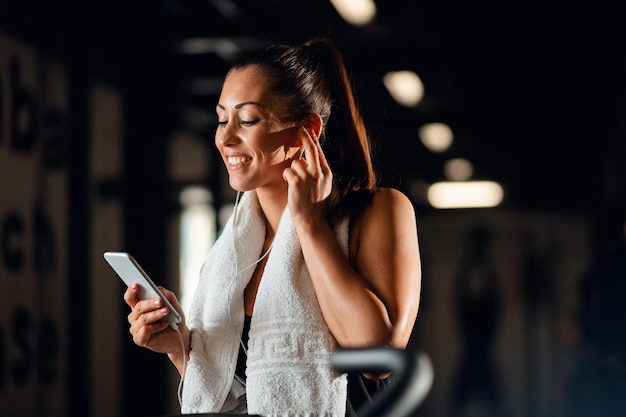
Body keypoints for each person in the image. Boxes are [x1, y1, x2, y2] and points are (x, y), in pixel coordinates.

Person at [123, 36, 422, 416]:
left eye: (247, 119)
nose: (226, 138)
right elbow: (234, 396)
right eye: (221, 118)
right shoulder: (228, 258)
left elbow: (377, 355)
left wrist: (310, 224)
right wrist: (177, 344)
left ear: (307, 131)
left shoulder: (378, 211)